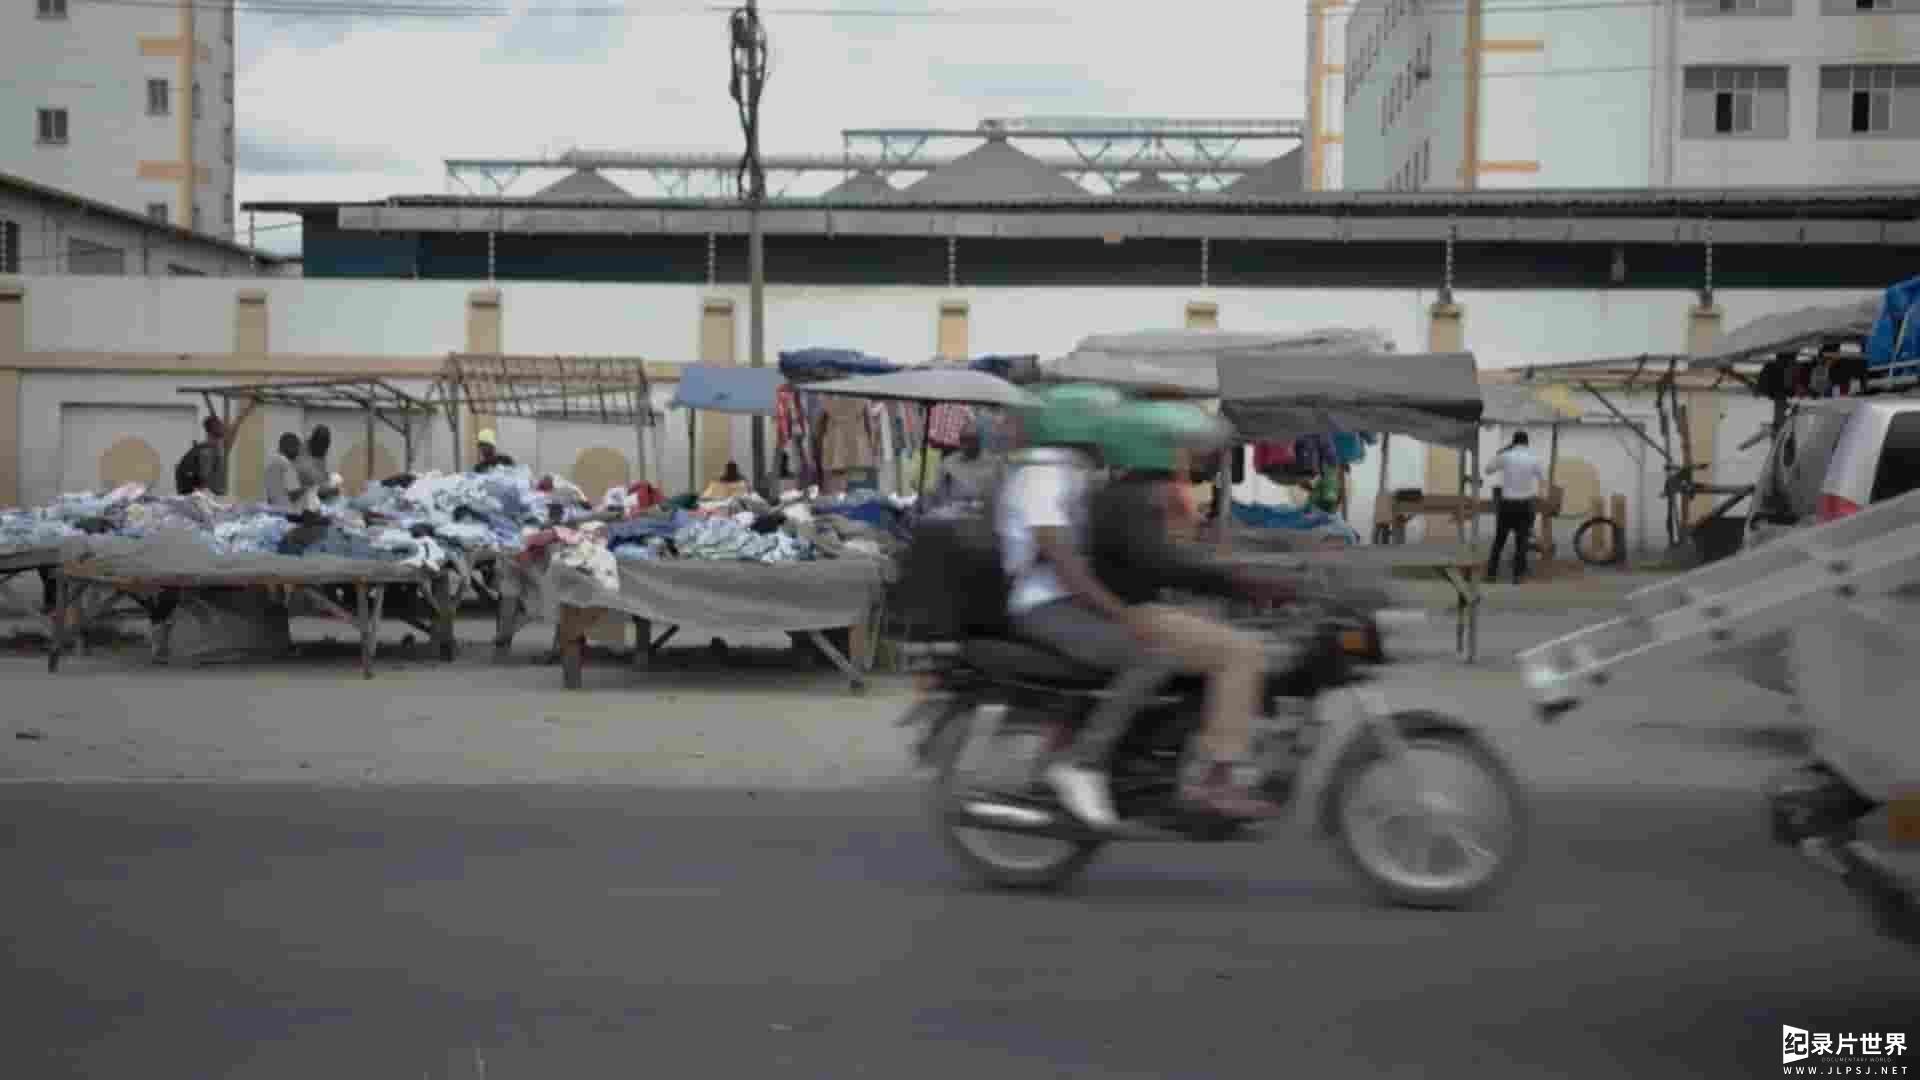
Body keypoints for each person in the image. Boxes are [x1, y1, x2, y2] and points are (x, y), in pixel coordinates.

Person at [1073, 399, 1296, 822]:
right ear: (1151, 448)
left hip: (1141, 606)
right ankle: (1218, 778)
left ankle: (1195, 741)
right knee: (1242, 653)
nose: (1185, 453)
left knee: (1226, 635)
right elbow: (1165, 562)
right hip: (1138, 613)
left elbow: (1178, 553)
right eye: (1174, 445)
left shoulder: (1130, 493)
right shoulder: (1133, 499)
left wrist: (1245, 569)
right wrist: (1244, 584)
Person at [1484, 430, 1546, 584]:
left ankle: (1491, 574)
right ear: (1527, 442)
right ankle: (1518, 576)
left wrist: (1503, 451)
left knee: (1499, 541)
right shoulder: (1533, 458)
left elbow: (1488, 469)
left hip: (1507, 504)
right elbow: (1543, 480)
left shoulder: (1506, 456)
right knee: (1521, 541)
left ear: (1513, 442)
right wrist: (1538, 495)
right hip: (1525, 504)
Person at [933, 425, 999, 508]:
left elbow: (1001, 492)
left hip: (986, 511)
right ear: (959, 442)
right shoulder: (948, 463)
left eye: (972, 440)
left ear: (979, 441)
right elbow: (939, 491)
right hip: (956, 512)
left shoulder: (993, 463)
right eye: (964, 440)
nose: (967, 444)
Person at [174, 415, 228, 496]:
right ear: (209, 434)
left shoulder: (209, 450)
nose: (219, 441)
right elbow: (203, 478)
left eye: (220, 437)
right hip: (194, 494)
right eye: (216, 436)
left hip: (195, 493)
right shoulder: (205, 451)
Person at [263, 433, 306, 510]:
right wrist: (307, 489)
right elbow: (293, 493)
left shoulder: (271, 461)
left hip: (273, 508)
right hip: (287, 510)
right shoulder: (286, 464)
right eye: (297, 448)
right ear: (289, 447)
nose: (298, 453)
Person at [296, 425, 338, 503]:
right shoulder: (302, 454)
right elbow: (310, 475)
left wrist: (329, 481)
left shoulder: (319, 452)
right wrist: (326, 487)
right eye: (322, 447)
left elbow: (321, 472)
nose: (325, 451)